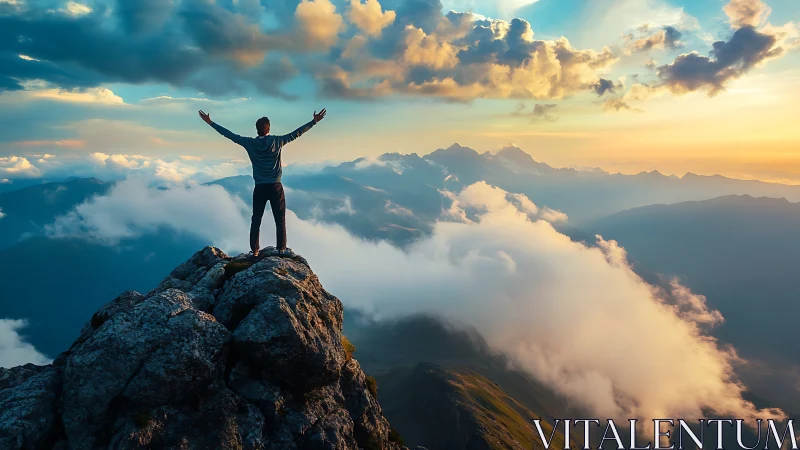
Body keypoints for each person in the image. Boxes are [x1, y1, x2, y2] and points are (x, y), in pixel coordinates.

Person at [199, 108, 327, 257]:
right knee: (280, 219)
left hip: (259, 187)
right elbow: (296, 133)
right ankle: (281, 249)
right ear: (269, 129)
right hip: (276, 186)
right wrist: (314, 121)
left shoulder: (249, 143)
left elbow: (229, 135)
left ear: (257, 129)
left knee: (256, 219)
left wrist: (210, 122)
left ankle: (255, 251)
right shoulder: (277, 141)